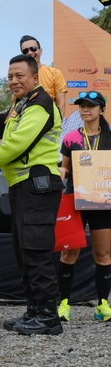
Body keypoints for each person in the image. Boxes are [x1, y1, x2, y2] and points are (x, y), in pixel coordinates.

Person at [0, 54, 64, 335]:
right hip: (23, 186)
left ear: (35, 77)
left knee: (36, 250)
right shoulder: (21, 105)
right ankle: (34, 310)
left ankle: (48, 316)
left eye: (20, 76)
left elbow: (17, 143)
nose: (14, 81)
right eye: (9, 77)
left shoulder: (41, 103)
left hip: (38, 185)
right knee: (24, 251)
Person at [57, 90, 111, 323]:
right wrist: (62, 171)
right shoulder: (71, 138)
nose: (85, 110)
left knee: (103, 255)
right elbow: (66, 168)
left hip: (102, 201)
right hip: (76, 200)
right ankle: (64, 304)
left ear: (101, 109)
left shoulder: (109, 137)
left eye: (90, 106)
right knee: (69, 253)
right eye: (82, 106)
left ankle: (103, 305)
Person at [19, 35, 67, 117]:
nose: (30, 52)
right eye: (25, 51)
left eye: (33, 48)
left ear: (40, 51)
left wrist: (58, 122)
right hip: (27, 120)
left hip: (49, 121)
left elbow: (61, 103)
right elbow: (15, 102)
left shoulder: (54, 73)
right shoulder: (19, 77)